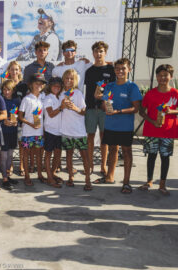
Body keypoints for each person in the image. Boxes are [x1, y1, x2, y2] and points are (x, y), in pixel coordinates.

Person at [95, 58, 142, 194]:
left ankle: (126, 183)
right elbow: (104, 104)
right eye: (117, 69)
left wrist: (118, 111)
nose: (120, 71)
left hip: (125, 127)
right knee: (112, 150)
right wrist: (106, 107)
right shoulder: (109, 86)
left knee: (127, 152)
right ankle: (110, 177)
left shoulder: (132, 87)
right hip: (110, 125)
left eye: (123, 68)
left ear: (129, 70)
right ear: (114, 70)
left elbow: (135, 108)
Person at [138, 64, 178, 195]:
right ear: (156, 77)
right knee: (151, 156)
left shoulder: (176, 93)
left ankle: (162, 184)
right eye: (159, 75)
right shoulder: (150, 93)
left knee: (165, 157)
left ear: (171, 77)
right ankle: (149, 181)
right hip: (151, 131)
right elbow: (141, 111)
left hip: (168, 132)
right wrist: (152, 121)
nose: (162, 78)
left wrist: (172, 111)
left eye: (165, 75)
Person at [84, 41, 116, 178]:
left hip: (106, 108)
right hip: (91, 108)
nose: (98, 54)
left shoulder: (111, 69)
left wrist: (106, 100)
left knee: (104, 138)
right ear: (93, 53)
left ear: (105, 53)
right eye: (96, 51)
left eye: (101, 51)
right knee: (90, 137)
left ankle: (103, 165)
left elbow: (114, 89)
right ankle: (90, 164)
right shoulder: (89, 71)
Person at [60, 69, 91, 190]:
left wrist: (75, 108)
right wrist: (62, 106)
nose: (68, 80)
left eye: (71, 78)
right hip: (66, 130)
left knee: (84, 156)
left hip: (79, 131)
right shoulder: (61, 93)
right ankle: (70, 177)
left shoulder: (78, 93)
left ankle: (88, 180)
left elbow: (84, 111)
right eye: (67, 78)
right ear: (63, 79)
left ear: (75, 81)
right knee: (68, 155)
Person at [18, 73, 47, 186]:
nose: (38, 85)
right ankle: (27, 176)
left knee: (39, 154)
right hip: (27, 133)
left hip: (39, 133)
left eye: (41, 83)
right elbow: (20, 117)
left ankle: (39, 175)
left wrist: (43, 129)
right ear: (31, 85)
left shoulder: (43, 98)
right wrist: (30, 124)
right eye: (36, 83)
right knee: (26, 154)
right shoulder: (26, 99)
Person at [43, 77, 64, 188]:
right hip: (50, 130)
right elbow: (51, 113)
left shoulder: (60, 98)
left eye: (59, 86)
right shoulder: (48, 98)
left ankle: (53, 172)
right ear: (50, 87)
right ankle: (49, 178)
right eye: (54, 85)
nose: (57, 88)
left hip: (59, 131)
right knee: (48, 154)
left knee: (58, 153)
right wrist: (61, 107)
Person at [0, 80, 20, 190]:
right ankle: (4, 178)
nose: (6, 92)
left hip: (13, 131)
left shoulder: (17, 100)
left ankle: (7, 175)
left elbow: (20, 115)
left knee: (10, 155)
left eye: (9, 89)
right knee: (3, 156)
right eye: (4, 89)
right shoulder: (0, 100)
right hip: (3, 132)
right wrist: (3, 122)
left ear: (13, 90)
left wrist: (17, 122)